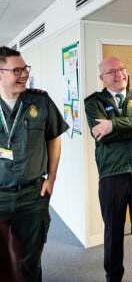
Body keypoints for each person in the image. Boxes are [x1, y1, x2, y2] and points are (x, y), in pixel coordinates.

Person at [0, 46, 69, 282]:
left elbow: (54, 138)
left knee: (30, 260)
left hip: (32, 195)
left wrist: (52, 178)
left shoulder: (40, 101)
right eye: (17, 70)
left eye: (25, 68)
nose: (24, 74)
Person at [84, 56, 132, 282]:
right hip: (112, 175)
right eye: (112, 71)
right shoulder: (93, 102)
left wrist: (113, 124)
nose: (120, 74)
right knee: (113, 231)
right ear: (102, 78)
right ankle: (113, 277)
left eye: (122, 69)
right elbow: (101, 136)